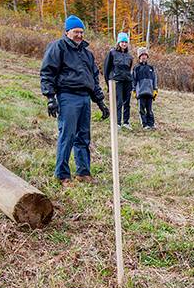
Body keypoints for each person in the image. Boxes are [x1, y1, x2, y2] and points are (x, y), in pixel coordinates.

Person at [40, 15, 110, 186]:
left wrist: (100, 102)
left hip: (85, 98)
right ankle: (62, 175)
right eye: (76, 31)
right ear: (67, 31)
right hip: (67, 96)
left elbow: (93, 79)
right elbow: (47, 72)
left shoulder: (87, 54)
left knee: (83, 137)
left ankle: (83, 172)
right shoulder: (58, 47)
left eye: (81, 32)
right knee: (67, 135)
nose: (79, 35)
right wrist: (50, 97)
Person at [104, 32, 134, 129]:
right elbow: (106, 69)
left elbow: (129, 69)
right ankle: (117, 123)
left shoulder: (130, 56)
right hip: (116, 81)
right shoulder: (112, 53)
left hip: (127, 81)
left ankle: (126, 122)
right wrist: (109, 84)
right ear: (118, 42)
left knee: (127, 102)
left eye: (126, 42)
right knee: (119, 102)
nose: (124, 44)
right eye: (122, 42)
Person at [132, 47, 158, 129]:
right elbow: (133, 80)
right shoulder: (136, 68)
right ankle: (144, 124)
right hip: (140, 92)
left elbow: (154, 79)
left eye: (145, 55)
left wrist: (155, 89)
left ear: (147, 56)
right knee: (141, 109)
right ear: (139, 57)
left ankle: (151, 124)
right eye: (142, 55)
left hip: (150, 92)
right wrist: (134, 90)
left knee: (150, 110)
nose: (144, 57)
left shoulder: (151, 68)